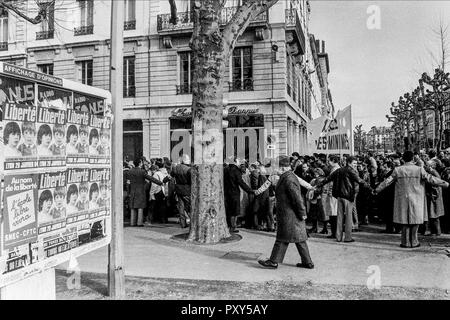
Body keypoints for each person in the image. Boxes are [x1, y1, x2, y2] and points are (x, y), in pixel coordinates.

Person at [375, 151, 449, 248]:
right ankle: (414, 242)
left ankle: (405, 242)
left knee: (404, 221)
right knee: (415, 221)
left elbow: (387, 181)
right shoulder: (419, 169)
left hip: (402, 198)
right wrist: (445, 183)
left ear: (403, 159)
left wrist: (377, 189)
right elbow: (430, 178)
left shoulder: (398, 170)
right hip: (417, 198)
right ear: (413, 159)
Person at [258, 155, 314, 270]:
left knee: (282, 239)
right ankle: (307, 262)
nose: (274, 169)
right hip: (292, 215)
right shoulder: (288, 176)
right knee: (299, 239)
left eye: (276, 167)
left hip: (289, 215)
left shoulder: (288, 178)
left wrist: (302, 212)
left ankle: (273, 261)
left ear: (282, 167)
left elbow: (297, 198)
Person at [317, 156, 372, 243]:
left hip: (339, 196)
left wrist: (318, 185)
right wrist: (370, 188)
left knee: (339, 217)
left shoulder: (339, 170)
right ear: (349, 163)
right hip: (348, 196)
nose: (355, 165)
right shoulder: (351, 171)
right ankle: (347, 237)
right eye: (354, 163)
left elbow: (328, 179)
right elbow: (360, 180)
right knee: (348, 218)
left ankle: (338, 237)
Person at [127, 158, 168, 226]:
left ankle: (132, 222)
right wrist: (160, 183)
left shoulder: (130, 171)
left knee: (133, 207)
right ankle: (139, 223)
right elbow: (151, 178)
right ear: (140, 163)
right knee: (140, 207)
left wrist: (128, 192)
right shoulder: (142, 171)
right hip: (140, 191)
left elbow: (128, 183)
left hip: (132, 191)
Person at [223, 157, 254, 233]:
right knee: (235, 211)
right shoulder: (236, 171)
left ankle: (228, 225)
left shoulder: (225, 170)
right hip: (235, 193)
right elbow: (241, 183)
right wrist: (250, 190)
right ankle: (233, 227)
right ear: (235, 162)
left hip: (226, 193)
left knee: (229, 210)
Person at [422, 160, 445, 236]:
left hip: (434, 198)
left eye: (427, 165)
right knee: (433, 215)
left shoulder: (433, 173)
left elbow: (436, 184)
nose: (425, 167)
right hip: (433, 197)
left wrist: (432, 195)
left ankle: (437, 232)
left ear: (431, 166)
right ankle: (434, 231)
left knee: (435, 215)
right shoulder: (433, 172)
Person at [171, 154, 192, 228]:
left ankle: (183, 223)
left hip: (178, 189)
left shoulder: (175, 168)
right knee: (191, 206)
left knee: (181, 207)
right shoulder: (189, 169)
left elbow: (171, 175)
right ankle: (192, 222)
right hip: (187, 189)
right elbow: (191, 181)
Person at [322, 155, 340, 238]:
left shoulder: (335, 170)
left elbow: (332, 182)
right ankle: (334, 232)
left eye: (329, 161)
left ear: (333, 161)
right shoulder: (335, 169)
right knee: (333, 213)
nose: (328, 163)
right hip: (333, 193)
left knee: (333, 213)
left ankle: (334, 233)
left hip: (332, 193)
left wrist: (329, 191)